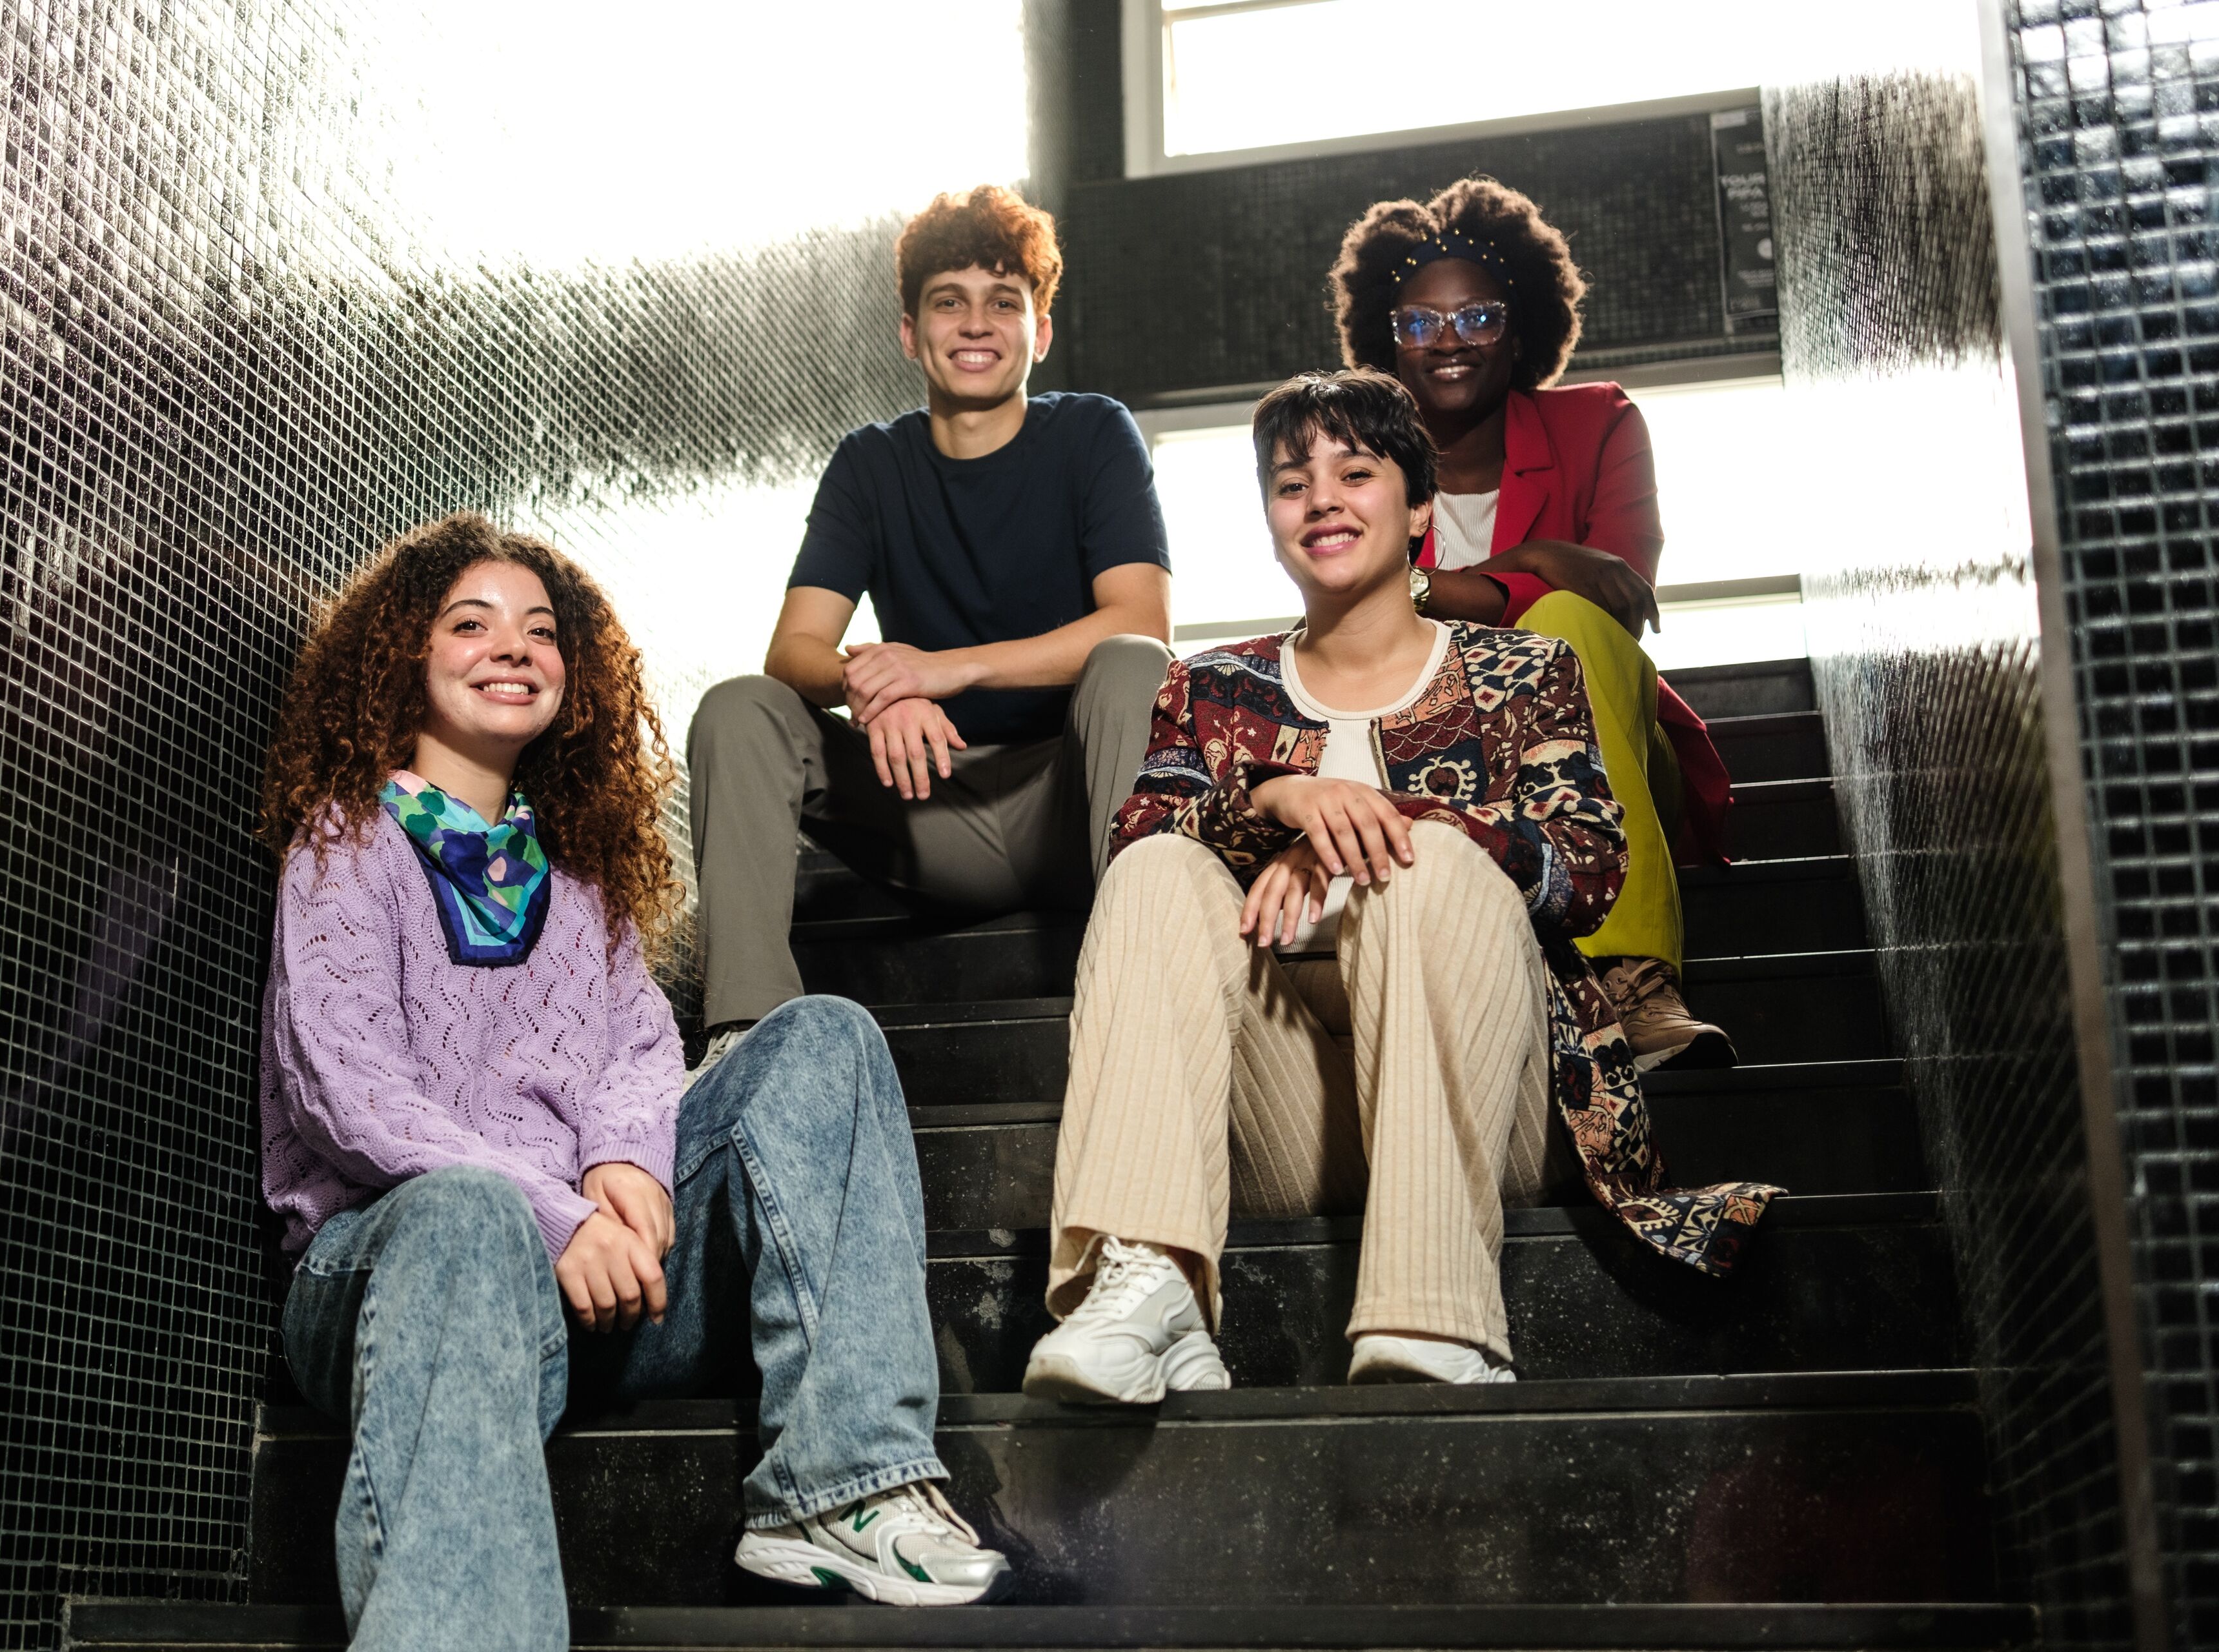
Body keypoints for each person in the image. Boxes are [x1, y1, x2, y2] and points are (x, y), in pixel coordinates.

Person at [256, 514, 1009, 1649]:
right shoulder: (344, 845)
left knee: (823, 1038)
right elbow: (346, 1092)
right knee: (465, 1212)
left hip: (597, 1292)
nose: (513, 648)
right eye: (471, 624)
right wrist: (559, 1214)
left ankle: (841, 1489)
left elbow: (641, 1051)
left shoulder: (582, 878)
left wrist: (625, 1164)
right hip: (400, 1281)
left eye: (542, 632)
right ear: (402, 657)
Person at [1022, 372, 1778, 1402]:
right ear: (1271, 519)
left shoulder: (1524, 672)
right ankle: (1152, 1283)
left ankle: (1433, 1316)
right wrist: (1279, 798)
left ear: (1419, 508)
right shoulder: (1211, 688)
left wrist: (1383, 827)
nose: (1321, 498)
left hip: (1488, 1108)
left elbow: (1588, 872)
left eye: (1355, 473)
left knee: (1426, 875)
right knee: (1157, 866)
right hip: (1288, 1119)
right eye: (1293, 483)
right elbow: (1138, 831)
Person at [685, 185, 1173, 1069]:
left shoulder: (1094, 434)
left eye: (1003, 302)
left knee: (1133, 663)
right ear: (911, 333)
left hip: (1074, 802)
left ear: (1042, 331)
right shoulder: (871, 464)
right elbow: (794, 650)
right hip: (925, 803)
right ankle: (746, 1041)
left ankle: (1146, 1000)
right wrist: (872, 688)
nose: (976, 324)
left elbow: (1140, 619)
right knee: (739, 707)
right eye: (950, 302)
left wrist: (944, 669)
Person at [1330, 178, 1737, 1069]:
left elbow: (1615, 599)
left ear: (1521, 325)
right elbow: (1356, 622)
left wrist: (1436, 589)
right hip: (1453, 772)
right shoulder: (1358, 471)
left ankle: (1632, 982)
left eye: (1476, 318)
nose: (1448, 343)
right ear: (1384, 342)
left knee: (1565, 623)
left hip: (1611, 766)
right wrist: (1547, 555)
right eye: (1418, 324)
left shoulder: (1599, 425)